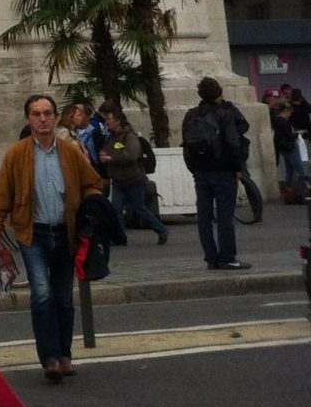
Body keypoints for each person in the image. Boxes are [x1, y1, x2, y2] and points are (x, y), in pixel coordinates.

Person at [0, 92, 105, 381]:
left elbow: (93, 184)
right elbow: (2, 195)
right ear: (29, 119)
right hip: (34, 235)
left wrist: (91, 208)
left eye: (47, 113)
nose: (43, 119)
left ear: (55, 117)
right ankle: (50, 358)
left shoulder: (70, 152)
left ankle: (65, 355)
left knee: (64, 298)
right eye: (36, 114)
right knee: (41, 294)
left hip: (66, 234)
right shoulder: (16, 154)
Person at [180, 76, 252, 270]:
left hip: (200, 171)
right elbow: (232, 143)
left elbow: (185, 144)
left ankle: (211, 258)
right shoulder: (224, 113)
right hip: (223, 171)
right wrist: (238, 168)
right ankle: (227, 257)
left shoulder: (191, 115)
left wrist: (193, 168)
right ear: (219, 93)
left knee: (204, 217)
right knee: (225, 216)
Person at [97, 107, 168, 245]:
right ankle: (120, 237)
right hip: (118, 181)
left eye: (110, 119)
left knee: (139, 208)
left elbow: (131, 155)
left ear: (118, 121)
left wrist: (111, 158)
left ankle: (161, 229)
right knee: (116, 209)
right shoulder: (111, 137)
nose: (107, 122)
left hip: (134, 179)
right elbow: (107, 150)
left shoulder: (130, 136)